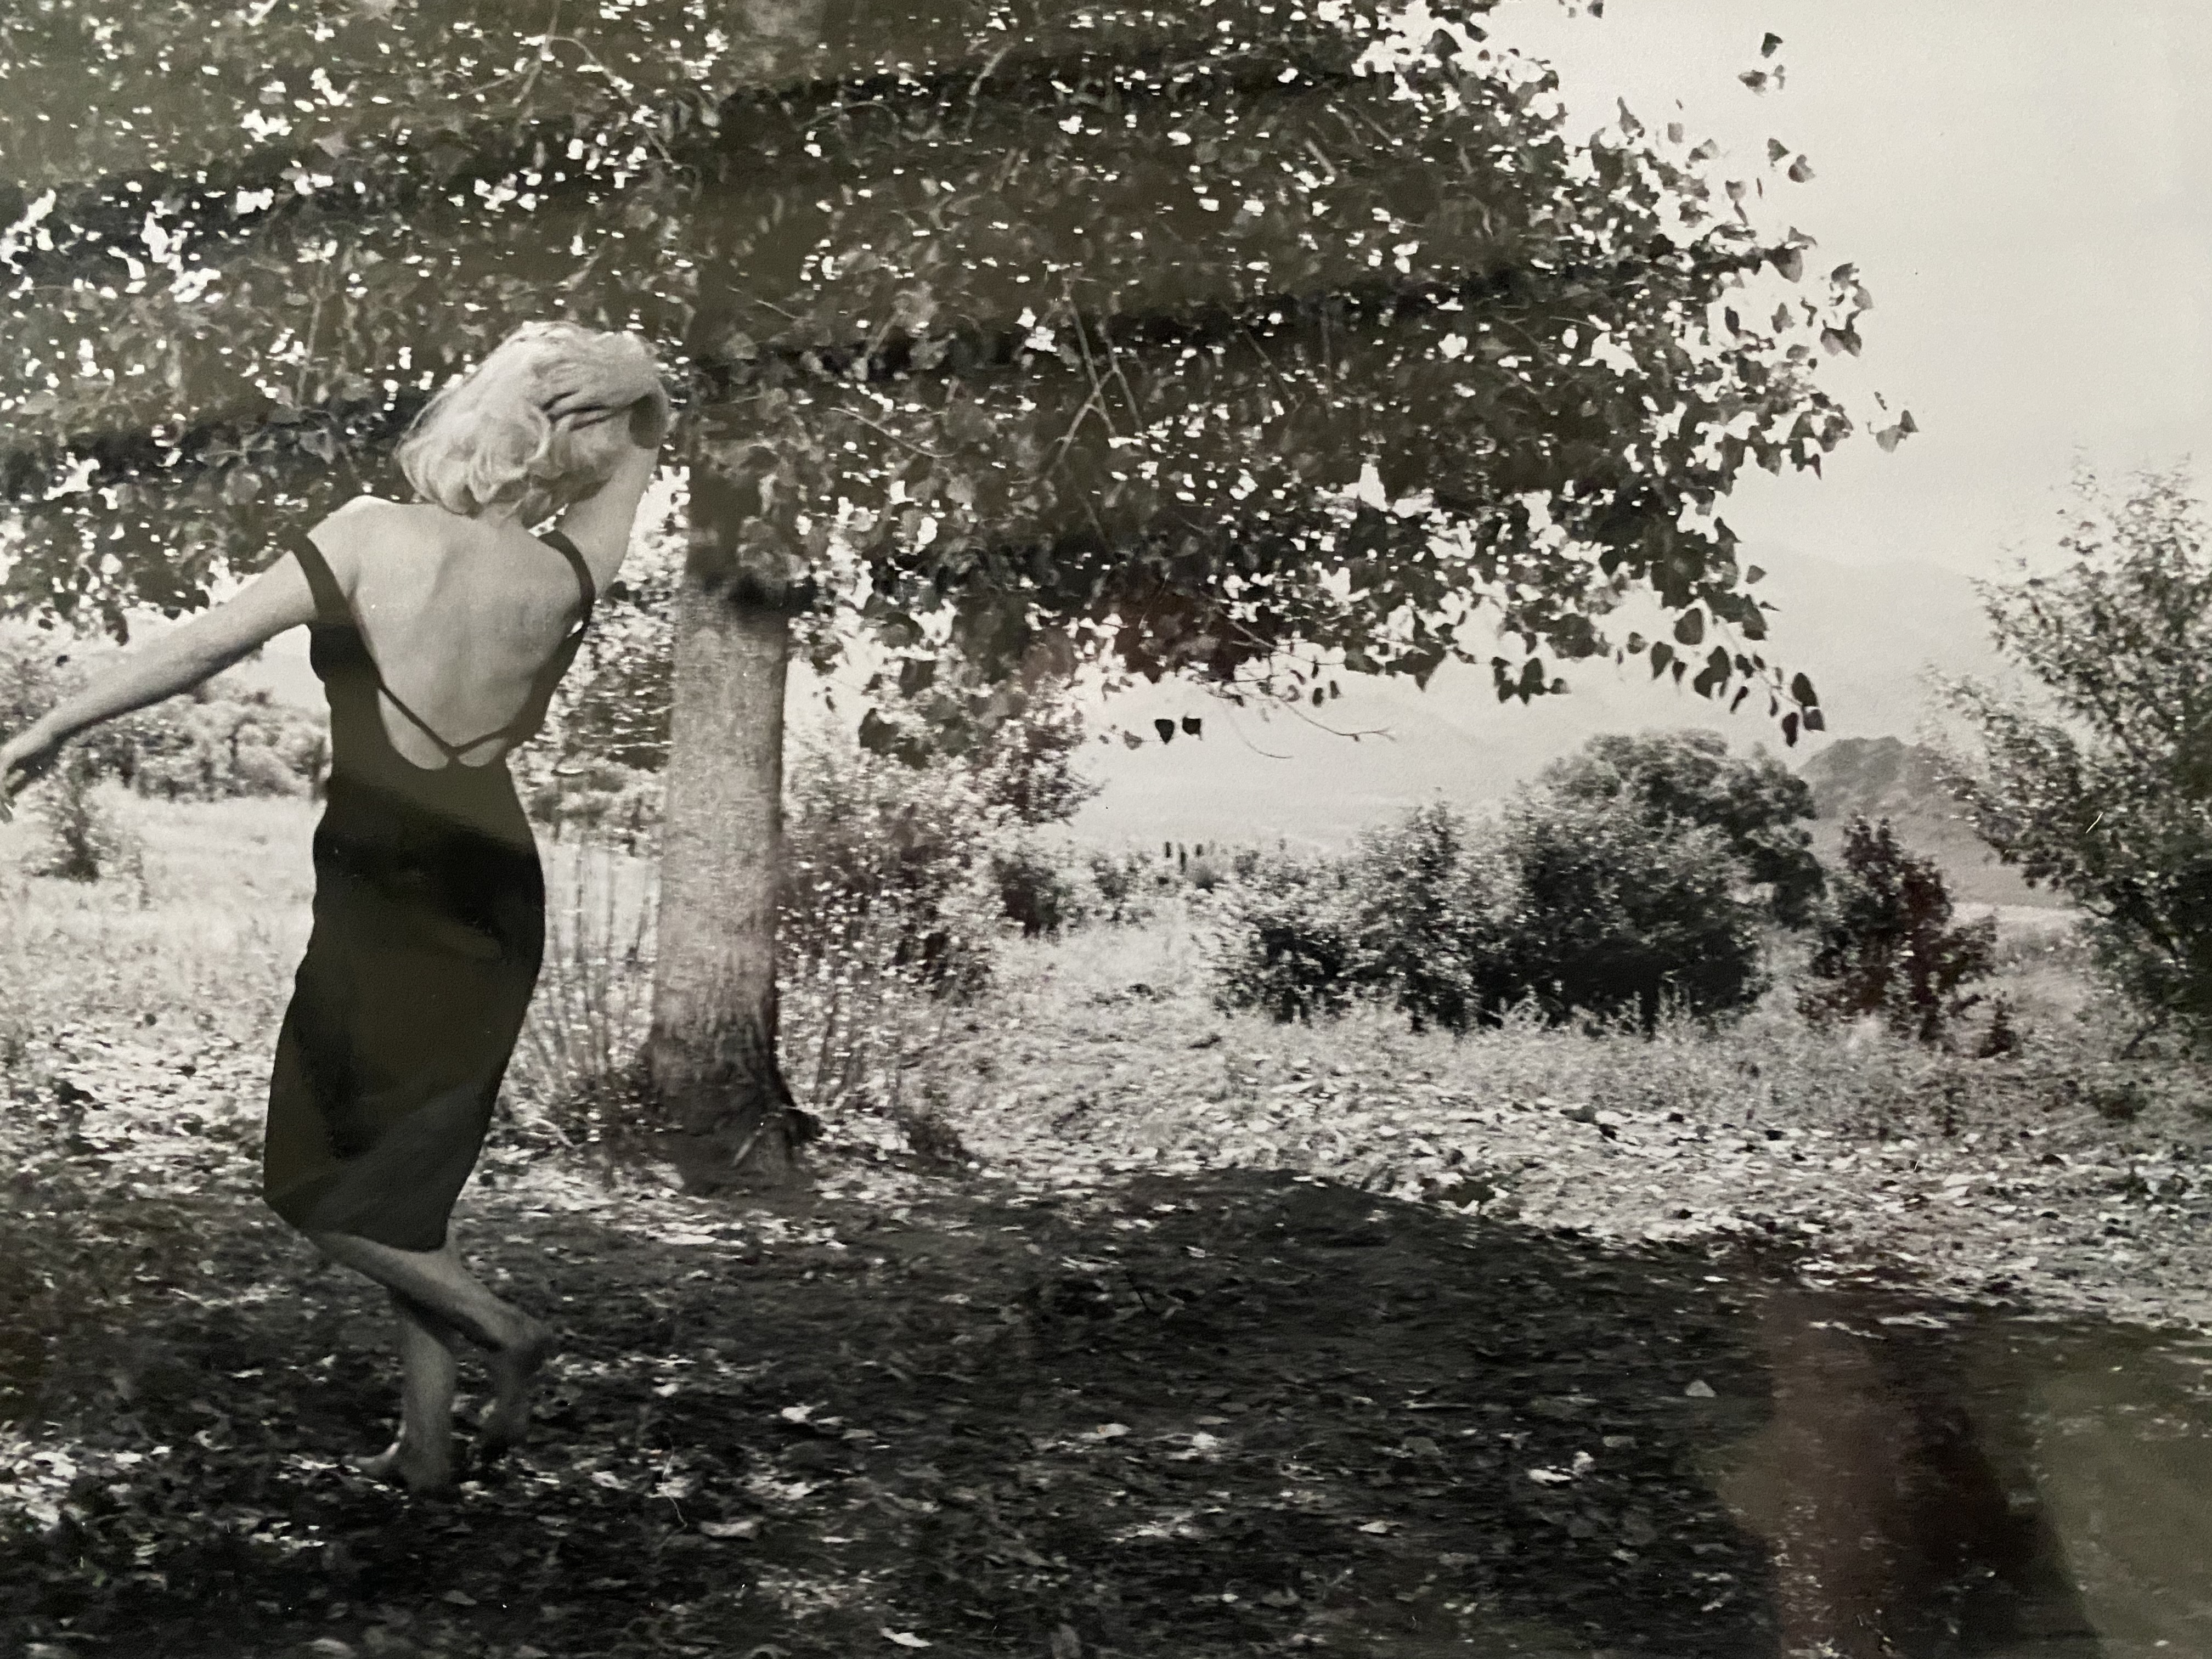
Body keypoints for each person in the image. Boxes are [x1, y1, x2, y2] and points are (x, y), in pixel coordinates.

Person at [0, 320, 671, 1492]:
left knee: (310, 1188)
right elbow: (648, 440)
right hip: (497, 888)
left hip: (384, 884)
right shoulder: (569, 570)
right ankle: (426, 1444)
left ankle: (509, 1332)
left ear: (483, 416)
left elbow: (205, 645)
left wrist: (53, 724)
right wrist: (636, 384)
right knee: (409, 1185)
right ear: (579, 444)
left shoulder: (368, 533)